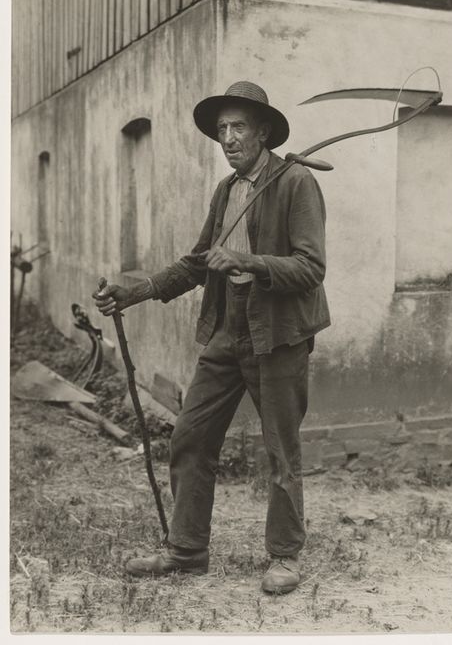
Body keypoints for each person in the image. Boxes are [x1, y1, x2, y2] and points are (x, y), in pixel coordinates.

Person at [93, 81, 330, 594]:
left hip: (281, 334)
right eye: (221, 129)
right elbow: (198, 263)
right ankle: (187, 550)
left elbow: (311, 268)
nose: (227, 138)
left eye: (238, 126)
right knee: (191, 436)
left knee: (280, 450)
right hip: (229, 328)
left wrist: (247, 260)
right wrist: (134, 293)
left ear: (263, 132)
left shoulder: (295, 183)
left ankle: (285, 556)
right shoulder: (226, 191)